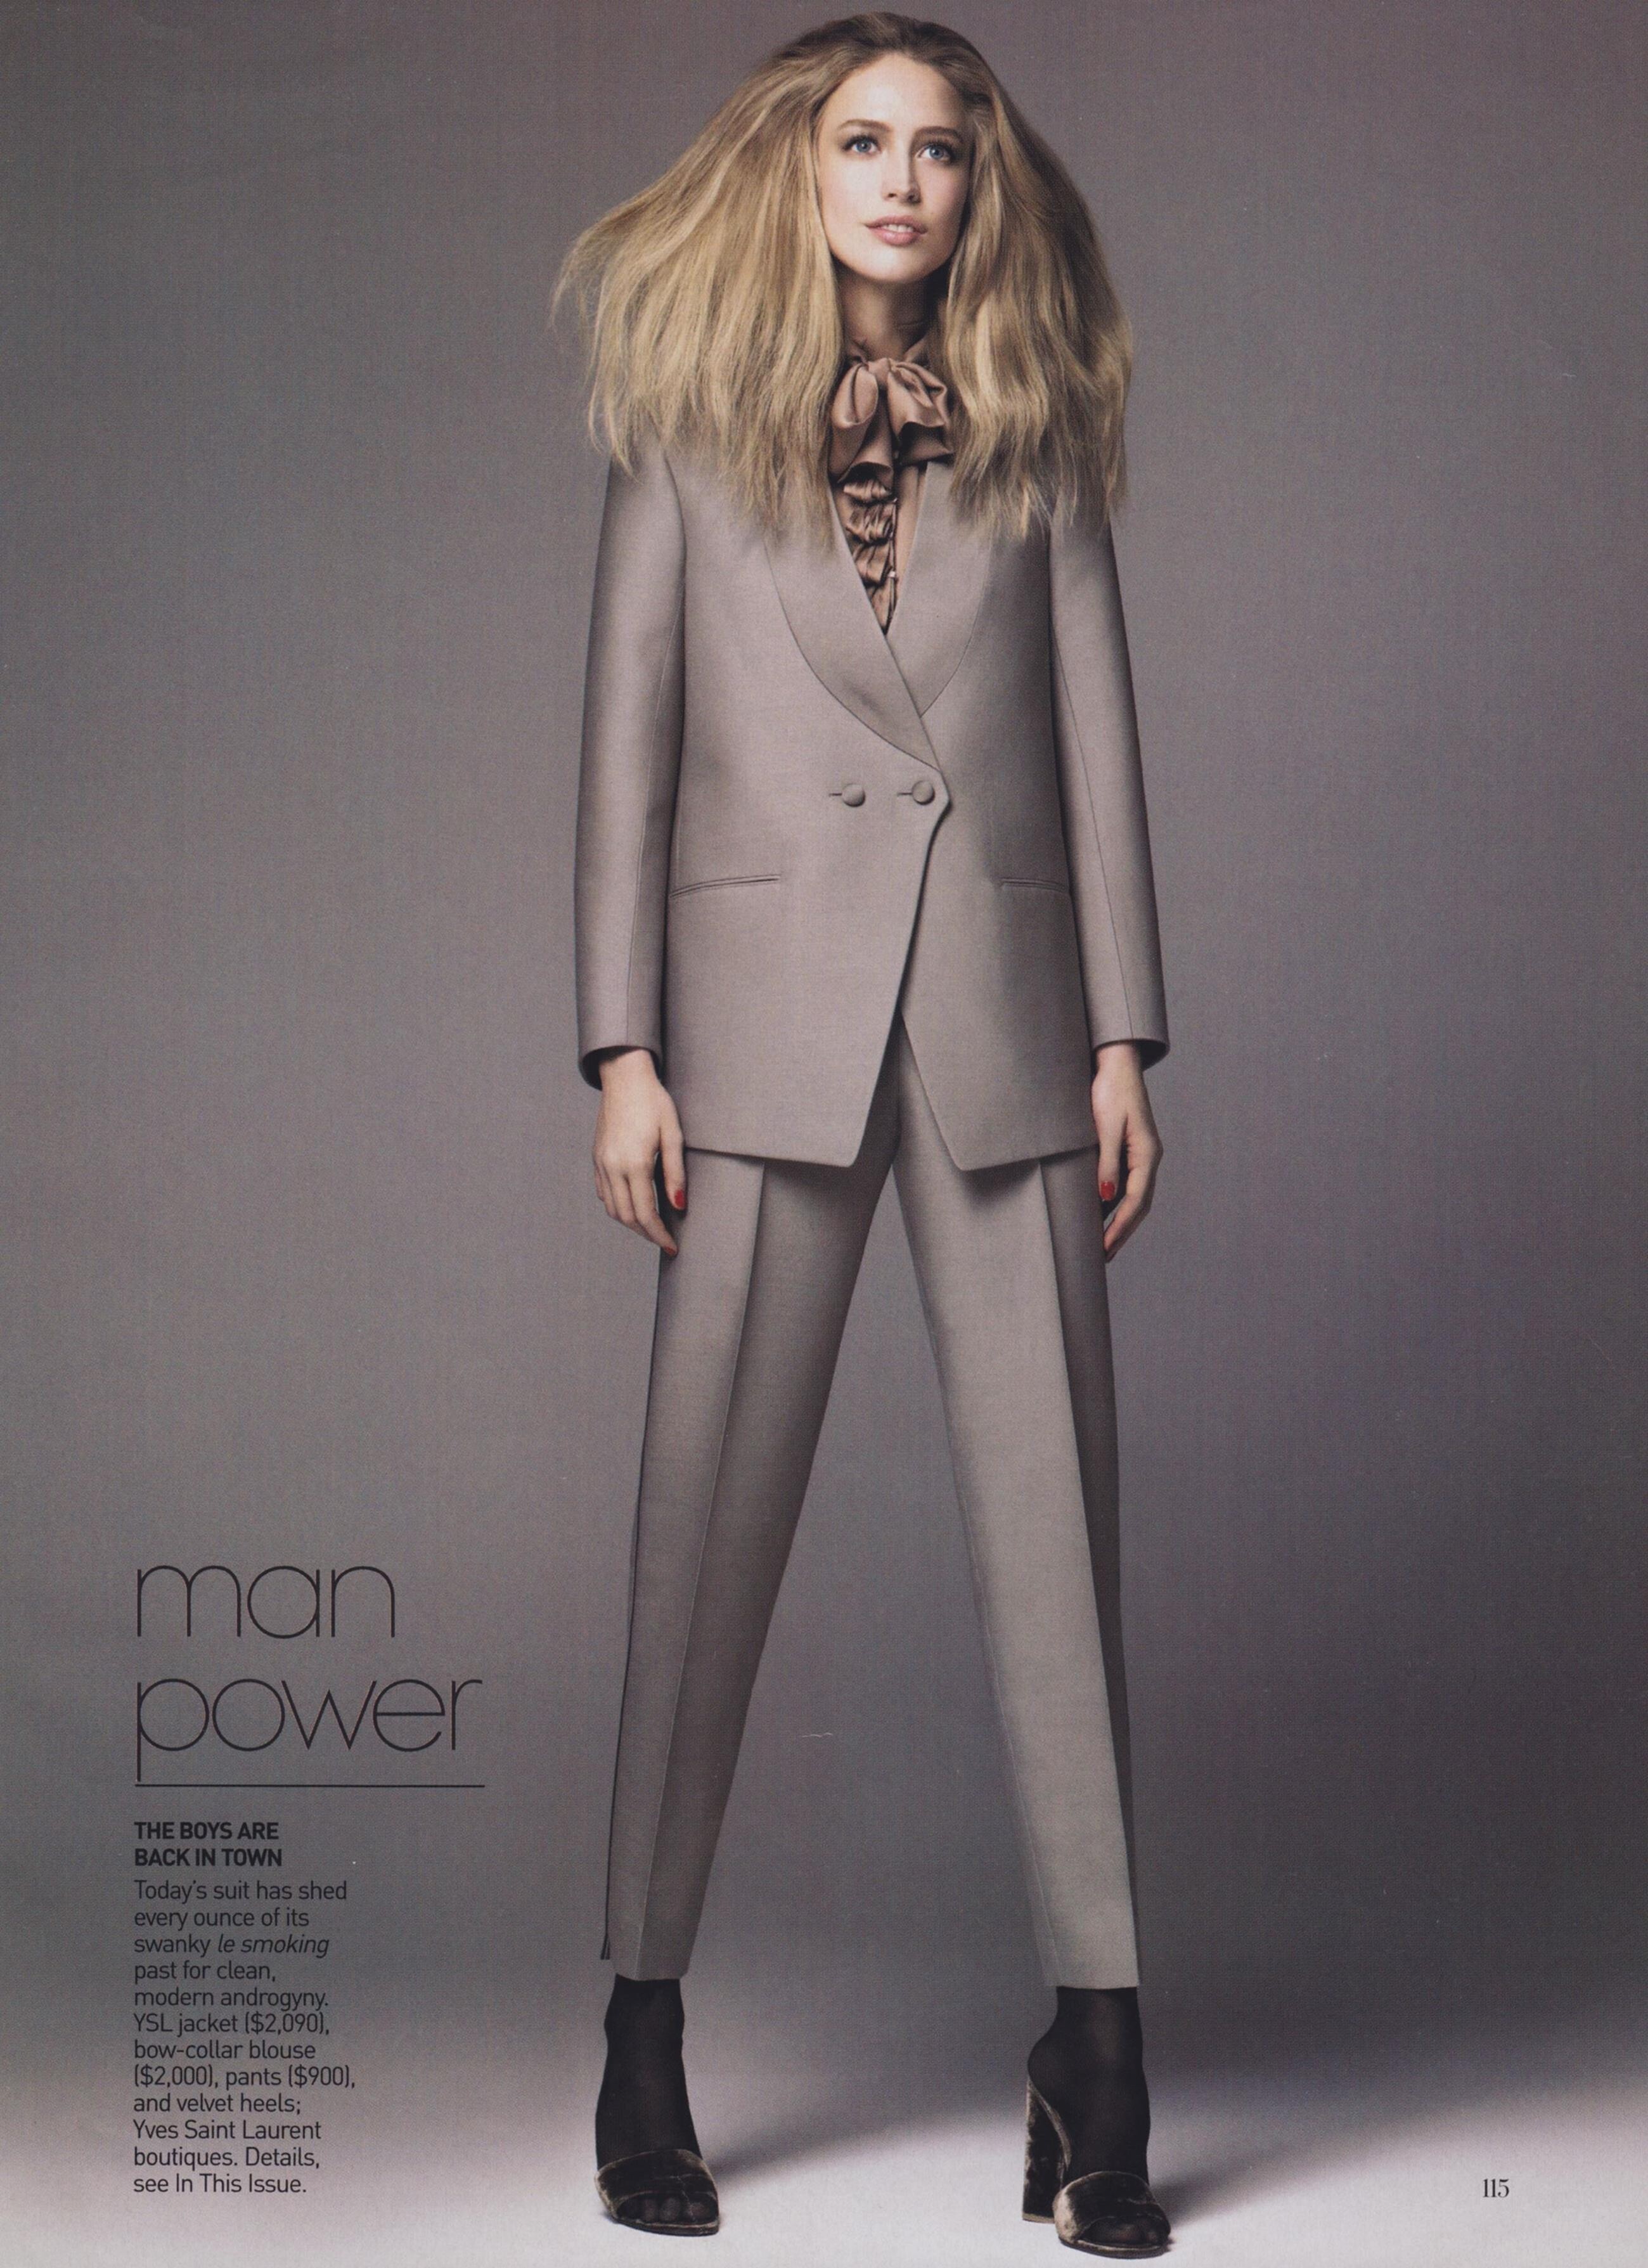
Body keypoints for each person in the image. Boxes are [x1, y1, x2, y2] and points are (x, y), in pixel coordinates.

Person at [560, 12, 1171, 2253]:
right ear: (797, 170)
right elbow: (627, 740)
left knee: (1059, 1541)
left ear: (977, 188)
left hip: (1007, 1017)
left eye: (938, 149)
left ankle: (1102, 2046)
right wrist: (621, 1047)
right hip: (753, 1033)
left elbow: (1098, 736)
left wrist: (1129, 1035)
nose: (903, 180)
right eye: (863, 141)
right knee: (698, 1536)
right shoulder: (684, 431)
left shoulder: (1038, 426)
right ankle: (642, 2021)